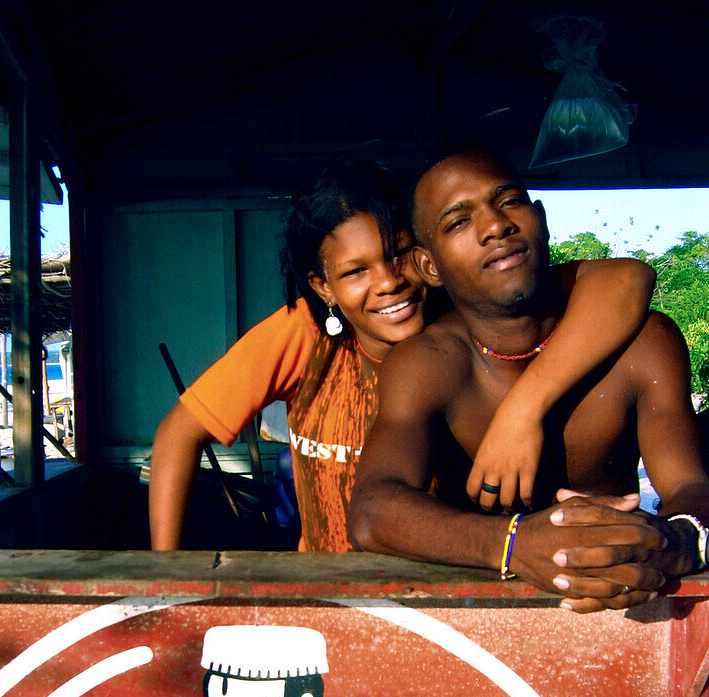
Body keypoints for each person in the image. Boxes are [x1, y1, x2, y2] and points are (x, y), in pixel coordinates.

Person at [149, 159, 655, 552]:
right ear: (323, 287)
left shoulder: (464, 324)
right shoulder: (305, 337)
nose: (388, 283)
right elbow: (178, 432)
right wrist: (164, 579)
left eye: (398, 254)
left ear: (428, 258)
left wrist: (526, 406)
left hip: (440, 599)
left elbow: (624, 279)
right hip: (326, 599)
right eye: (355, 272)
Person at [349, 147, 709, 612]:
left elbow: (690, 486)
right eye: (458, 222)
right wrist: (513, 544)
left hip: (627, 602)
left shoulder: (644, 342)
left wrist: (665, 541)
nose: (495, 225)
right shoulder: (428, 363)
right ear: (428, 267)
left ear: (540, 219)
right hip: (480, 623)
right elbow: (373, 511)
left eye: (509, 201)